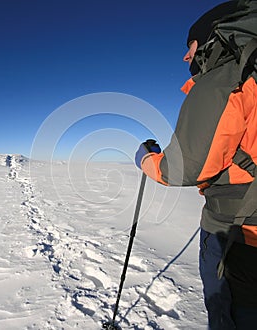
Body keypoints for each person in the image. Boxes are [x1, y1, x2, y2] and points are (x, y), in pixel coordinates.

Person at [135, 1, 257, 329]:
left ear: (208, 38)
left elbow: (182, 167)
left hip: (239, 235)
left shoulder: (226, 78)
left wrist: (145, 158)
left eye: (189, 46)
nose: (186, 57)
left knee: (231, 314)